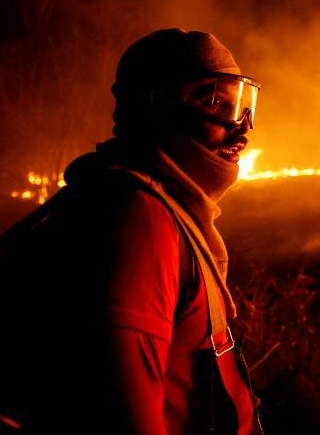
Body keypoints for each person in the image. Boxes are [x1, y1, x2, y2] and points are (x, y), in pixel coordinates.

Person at [0, 28, 262, 434]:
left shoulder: (169, 211)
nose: (242, 128)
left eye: (243, 106)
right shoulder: (137, 217)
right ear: (155, 105)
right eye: (215, 102)